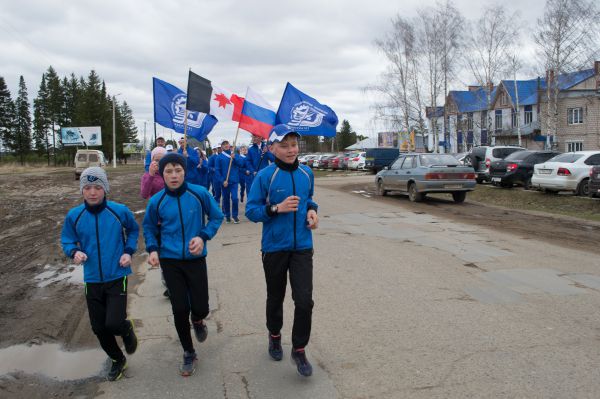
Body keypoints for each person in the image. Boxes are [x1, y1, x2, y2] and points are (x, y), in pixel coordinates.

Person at [245, 124, 319, 377]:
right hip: (274, 247)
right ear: (271, 148)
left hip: (302, 247)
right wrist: (276, 208)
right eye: (284, 146)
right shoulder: (266, 176)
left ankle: (299, 349)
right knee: (275, 297)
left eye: (294, 145)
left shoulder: (307, 173)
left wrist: (312, 211)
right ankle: (274, 334)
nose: (290, 150)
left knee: (305, 301)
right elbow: (252, 211)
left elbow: (310, 199)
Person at [143, 152, 223, 377]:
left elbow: (217, 217)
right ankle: (188, 352)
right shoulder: (156, 201)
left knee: (201, 307)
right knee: (179, 309)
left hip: (195, 259)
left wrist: (203, 236)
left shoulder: (199, 194)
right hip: (170, 261)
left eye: (178, 170)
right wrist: (153, 249)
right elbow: (149, 227)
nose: (174, 175)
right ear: (162, 173)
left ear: (185, 172)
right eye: (169, 171)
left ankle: (198, 320)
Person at [61, 167, 139, 381]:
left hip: (117, 275)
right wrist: (74, 251)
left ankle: (126, 328)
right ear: (82, 190)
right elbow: (67, 239)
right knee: (98, 327)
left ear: (105, 189)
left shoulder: (118, 210)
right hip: (92, 278)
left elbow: (133, 230)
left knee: (113, 323)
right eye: (87, 187)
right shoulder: (74, 216)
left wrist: (128, 251)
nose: (92, 192)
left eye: (97, 187)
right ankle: (117, 359)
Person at [215, 140, 245, 224]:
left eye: (227, 144)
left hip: (234, 181)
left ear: (229, 145)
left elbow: (241, 164)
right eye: (224, 145)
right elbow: (217, 171)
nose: (226, 146)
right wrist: (222, 180)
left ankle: (235, 216)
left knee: (235, 198)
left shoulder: (234, 155)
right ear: (222, 147)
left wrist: (235, 158)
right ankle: (227, 216)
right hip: (225, 182)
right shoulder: (219, 157)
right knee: (226, 199)